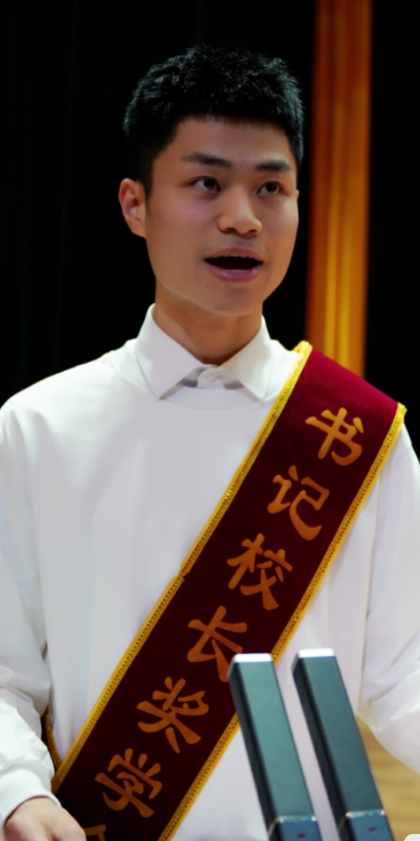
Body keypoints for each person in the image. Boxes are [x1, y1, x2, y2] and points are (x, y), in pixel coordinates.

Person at [1, 43, 420, 841]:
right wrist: (16, 793)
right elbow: (3, 672)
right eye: (206, 183)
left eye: (271, 187)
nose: (243, 218)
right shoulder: (39, 428)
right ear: (135, 204)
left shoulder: (360, 434)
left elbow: (409, 673)